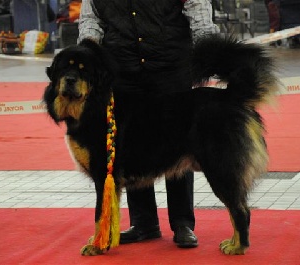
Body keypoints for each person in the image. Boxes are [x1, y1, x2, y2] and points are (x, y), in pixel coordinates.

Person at [78, 0, 218, 248]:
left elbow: (198, 7)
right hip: (122, 72)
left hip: (171, 68)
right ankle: (144, 223)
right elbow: (92, 19)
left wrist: (207, 53)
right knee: (130, 148)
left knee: (179, 144)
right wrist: (87, 53)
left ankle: (182, 223)